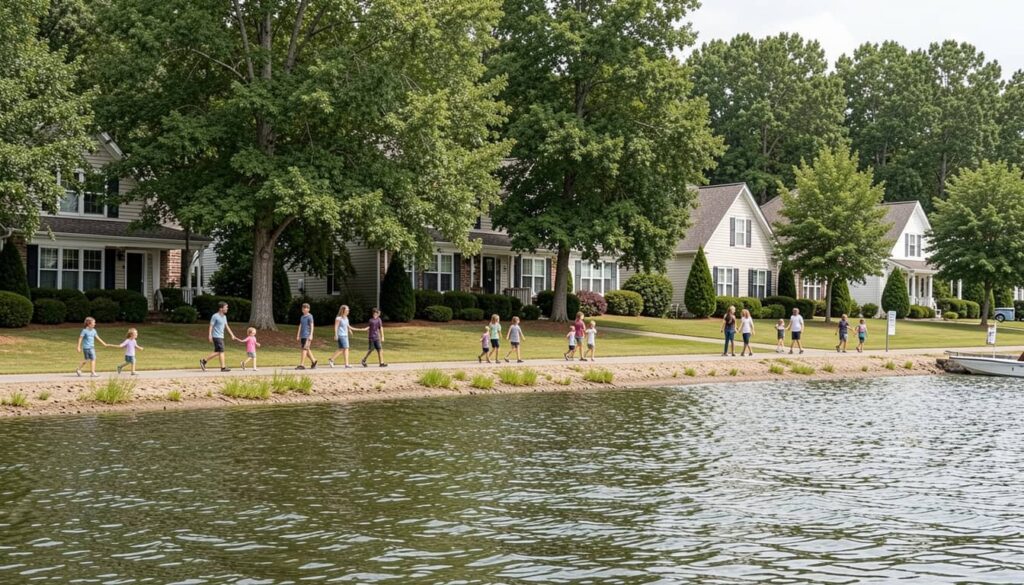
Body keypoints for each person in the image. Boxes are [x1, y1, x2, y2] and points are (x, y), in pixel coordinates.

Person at [201, 301, 238, 372]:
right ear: (221, 308)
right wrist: (210, 335)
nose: (227, 308)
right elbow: (211, 326)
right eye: (226, 307)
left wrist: (232, 335)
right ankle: (205, 361)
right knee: (221, 351)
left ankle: (221, 367)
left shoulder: (224, 317)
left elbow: (227, 326)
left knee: (219, 351)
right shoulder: (215, 316)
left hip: (221, 336)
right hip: (216, 336)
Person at [295, 302, 318, 370]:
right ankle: (314, 361)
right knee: (307, 350)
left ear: (308, 309)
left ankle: (302, 365)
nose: (304, 309)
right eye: (303, 308)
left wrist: (311, 335)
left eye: (306, 308)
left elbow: (312, 325)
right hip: (303, 336)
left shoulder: (310, 316)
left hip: (307, 335)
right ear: (302, 309)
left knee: (304, 349)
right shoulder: (302, 317)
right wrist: (298, 335)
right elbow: (300, 325)